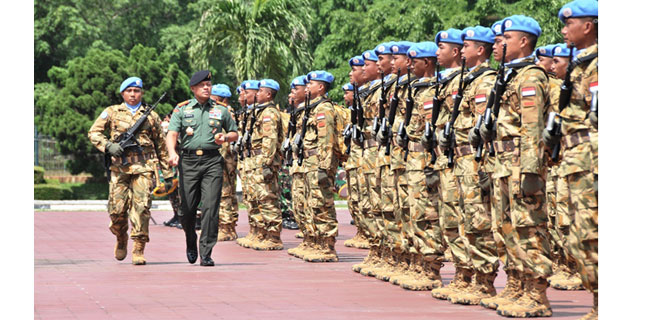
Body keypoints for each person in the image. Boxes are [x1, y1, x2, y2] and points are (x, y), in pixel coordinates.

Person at [479, 16, 554, 317]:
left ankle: (536, 294)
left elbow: (532, 128)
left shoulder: (531, 77)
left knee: (529, 228)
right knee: (506, 228)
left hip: (521, 164)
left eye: (505, 38)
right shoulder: (508, 76)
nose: (499, 43)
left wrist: (531, 170)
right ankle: (517, 284)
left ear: (524, 41)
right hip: (503, 163)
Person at [545, 1, 599, 318]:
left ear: (588, 26)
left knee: (593, 234)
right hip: (577, 160)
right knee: (583, 236)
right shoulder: (582, 64)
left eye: (569, 24)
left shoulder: (599, 64)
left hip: (592, 162)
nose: (564, 30)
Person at [88, 76, 174, 265]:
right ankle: (121, 236)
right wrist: (108, 146)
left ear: (141, 93)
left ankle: (138, 247)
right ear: (123, 93)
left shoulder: (151, 116)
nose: (133, 94)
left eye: (137, 91)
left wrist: (167, 174)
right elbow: (93, 133)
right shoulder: (111, 112)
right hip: (119, 168)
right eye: (129, 91)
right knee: (116, 211)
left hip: (143, 167)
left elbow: (161, 146)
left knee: (142, 208)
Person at [445, 26, 499, 305]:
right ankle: (468, 277)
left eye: (467, 46)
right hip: (462, 160)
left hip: (475, 161)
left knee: (478, 221)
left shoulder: (486, 81)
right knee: (464, 221)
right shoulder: (470, 80)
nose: (461, 50)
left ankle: (484, 281)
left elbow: (482, 127)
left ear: (480, 50)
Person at [166, 70, 239, 267]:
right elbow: (172, 133)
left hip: (212, 162)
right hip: (188, 162)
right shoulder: (182, 109)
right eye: (202, 85)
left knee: (210, 207)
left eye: (209, 85)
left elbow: (234, 133)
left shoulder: (221, 110)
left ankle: (206, 251)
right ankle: (191, 239)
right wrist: (172, 153)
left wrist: (226, 137)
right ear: (193, 89)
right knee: (187, 209)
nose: (207, 88)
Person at [428, 28, 473, 301]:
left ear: (455, 51)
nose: (437, 53)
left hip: (466, 160)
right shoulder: (445, 83)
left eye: (441, 47)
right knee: (450, 221)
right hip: (448, 160)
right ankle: (462, 276)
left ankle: (475, 278)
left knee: (470, 221)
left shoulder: (469, 81)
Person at [399, 41, 445, 291]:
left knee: (427, 215)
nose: (409, 65)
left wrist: (430, 166)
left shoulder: (432, 92)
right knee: (414, 213)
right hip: (413, 160)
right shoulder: (417, 91)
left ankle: (430, 269)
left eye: (414, 61)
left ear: (427, 63)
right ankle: (419, 264)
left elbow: (432, 134)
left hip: (425, 161)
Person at [293, 70, 340, 262]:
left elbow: (327, 139)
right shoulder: (310, 108)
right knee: (310, 204)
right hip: (308, 162)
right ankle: (314, 241)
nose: (307, 87)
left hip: (318, 163)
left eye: (310, 84)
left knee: (322, 204)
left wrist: (324, 167)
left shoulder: (324, 109)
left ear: (321, 87)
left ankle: (327, 246)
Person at [247, 79, 284, 250]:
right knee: (258, 198)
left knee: (267, 198)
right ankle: (262, 233)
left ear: (268, 94)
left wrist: (266, 164)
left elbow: (269, 140)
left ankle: (274, 236)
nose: (257, 93)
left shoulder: (269, 113)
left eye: (260, 90)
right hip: (257, 160)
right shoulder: (261, 111)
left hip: (264, 160)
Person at [210, 84, 240, 241]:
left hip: (224, 157)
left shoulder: (225, 112)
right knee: (223, 192)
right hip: (220, 156)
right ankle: (226, 225)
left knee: (225, 192)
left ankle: (227, 228)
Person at [161, 110, 183, 229]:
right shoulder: (165, 128)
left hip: (180, 163)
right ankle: (176, 214)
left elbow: (179, 143)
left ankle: (182, 216)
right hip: (169, 165)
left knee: (180, 190)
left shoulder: (181, 128)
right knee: (171, 190)